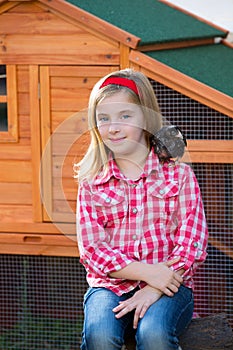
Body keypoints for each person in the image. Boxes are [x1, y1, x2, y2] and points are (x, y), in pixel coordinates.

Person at [75, 68, 208, 350]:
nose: (113, 127)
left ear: (146, 118)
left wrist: (158, 284)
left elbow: (192, 242)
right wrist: (147, 273)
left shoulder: (179, 176)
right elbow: (93, 250)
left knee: (154, 333)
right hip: (109, 286)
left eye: (125, 116)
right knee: (100, 333)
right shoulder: (91, 183)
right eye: (104, 118)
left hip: (172, 284)